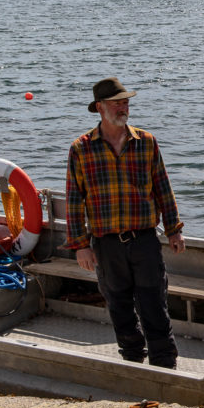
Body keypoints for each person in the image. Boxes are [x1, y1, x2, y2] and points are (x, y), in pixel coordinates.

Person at [65, 77, 185, 369]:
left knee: (154, 303)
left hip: (144, 239)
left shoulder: (146, 142)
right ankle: (132, 359)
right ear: (99, 107)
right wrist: (81, 246)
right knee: (118, 306)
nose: (123, 107)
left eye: (125, 102)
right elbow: (74, 200)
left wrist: (174, 230)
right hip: (106, 244)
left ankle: (164, 363)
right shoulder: (81, 148)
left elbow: (163, 188)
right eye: (116, 103)